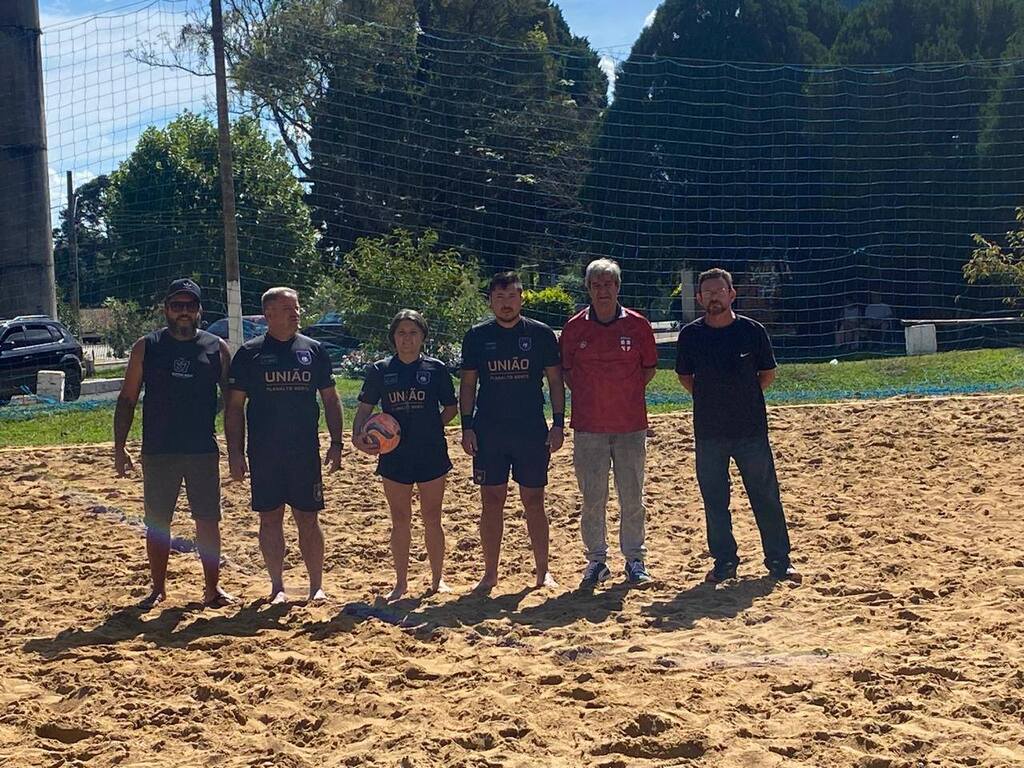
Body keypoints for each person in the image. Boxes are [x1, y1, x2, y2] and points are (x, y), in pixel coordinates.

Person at [114, 278, 235, 609]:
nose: (183, 312)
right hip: (158, 450)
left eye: (189, 306)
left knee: (207, 520)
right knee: (157, 522)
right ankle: (157, 589)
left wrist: (237, 450)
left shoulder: (217, 347)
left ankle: (212, 590)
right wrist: (119, 447)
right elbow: (126, 399)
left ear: (199, 311)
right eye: (176, 306)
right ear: (166, 309)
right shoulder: (147, 346)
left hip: (201, 449)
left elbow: (232, 401)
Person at [675, 267, 801, 585]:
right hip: (709, 432)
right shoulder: (691, 335)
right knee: (715, 501)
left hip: (750, 430)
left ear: (732, 294)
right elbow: (685, 378)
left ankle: (778, 561)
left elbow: (767, 375)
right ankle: (725, 562)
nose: (714, 297)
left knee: (765, 497)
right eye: (708, 292)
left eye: (720, 291)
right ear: (699, 297)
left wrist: (741, 397)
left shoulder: (752, 331)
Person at [225, 287, 344, 604]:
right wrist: (235, 452)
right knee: (270, 518)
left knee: (308, 517)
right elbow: (235, 407)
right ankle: (277, 586)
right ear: (269, 314)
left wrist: (336, 442)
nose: (297, 313)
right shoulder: (249, 353)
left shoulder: (314, 350)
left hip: (304, 451)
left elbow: (330, 400)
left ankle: (316, 586)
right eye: (289, 309)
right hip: (264, 451)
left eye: (298, 308)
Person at [460, 272, 565, 593]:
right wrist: (466, 427)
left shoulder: (541, 334)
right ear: (490, 301)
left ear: (522, 298)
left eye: (512, 297)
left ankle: (543, 572)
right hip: (489, 431)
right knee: (491, 500)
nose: (506, 304)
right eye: (499, 298)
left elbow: (555, 382)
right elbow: (468, 384)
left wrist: (558, 423)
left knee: (534, 500)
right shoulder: (477, 336)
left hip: (531, 430)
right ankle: (490, 574)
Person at [560, 259, 658, 589]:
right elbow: (568, 373)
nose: (603, 290)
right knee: (592, 499)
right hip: (589, 427)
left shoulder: (638, 325)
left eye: (608, 284)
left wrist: (622, 394)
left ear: (618, 287)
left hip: (630, 425)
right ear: (588, 289)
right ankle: (596, 562)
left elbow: (648, 369)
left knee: (632, 496)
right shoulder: (574, 328)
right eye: (596, 285)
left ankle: (635, 559)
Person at [352, 309, 458, 602]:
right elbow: (364, 408)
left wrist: (428, 426)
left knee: (432, 518)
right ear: (393, 338)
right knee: (400, 519)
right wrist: (358, 436)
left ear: (423, 336)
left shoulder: (436, 369)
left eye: (413, 333)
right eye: (401, 333)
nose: (407, 339)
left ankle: (438, 580)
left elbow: (451, 409)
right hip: (394, 456)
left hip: (431, 452)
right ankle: (400, 583)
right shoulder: (380, 370)